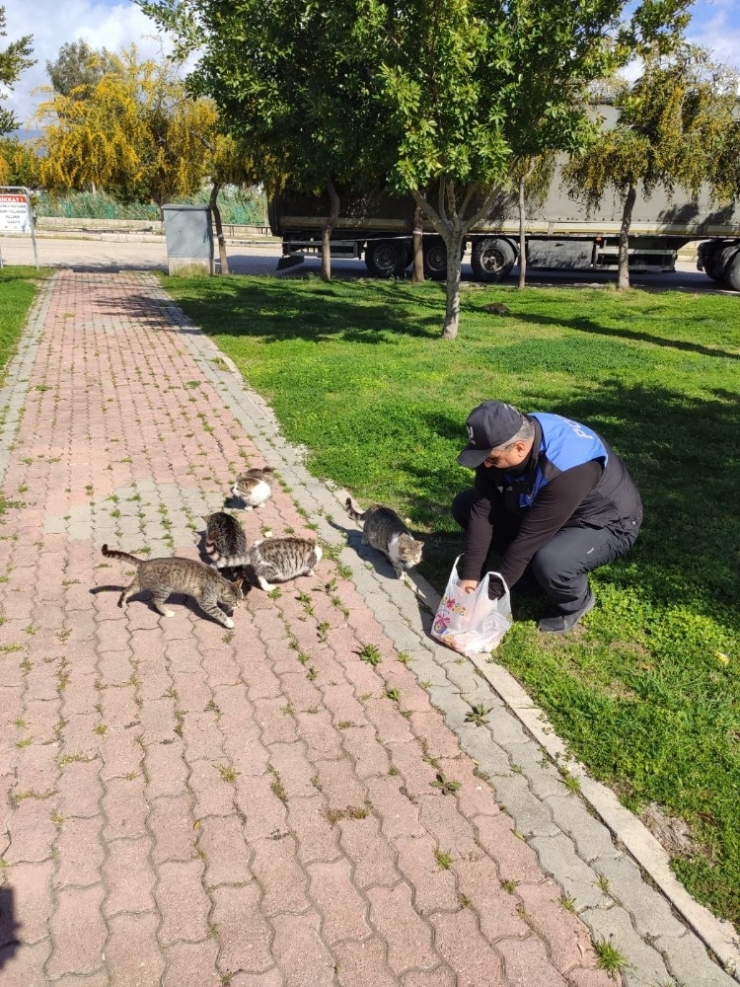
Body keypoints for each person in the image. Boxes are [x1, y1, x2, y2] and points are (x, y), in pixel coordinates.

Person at [453, 400, 642, 633]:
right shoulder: (507, 436)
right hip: (545, 505)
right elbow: (483, 511)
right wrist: (471, 576)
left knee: (551, 561)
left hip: (603, 521)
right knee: (464, 506)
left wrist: (488, 597)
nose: (485, 466)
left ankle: (576, 602)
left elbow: (528, 539)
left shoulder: (570, 468)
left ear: (520, 448)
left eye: (491, 459)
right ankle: (530, 578)